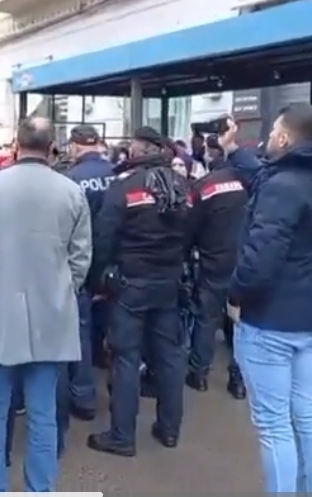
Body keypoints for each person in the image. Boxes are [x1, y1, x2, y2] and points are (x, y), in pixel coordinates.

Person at [0, 117, 90, 492]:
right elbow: (81, 258)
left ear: (16, 145)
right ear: (52, 147)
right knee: (43, 415)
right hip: (50, 313)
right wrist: (62, 291)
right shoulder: (71, 192)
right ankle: (39, 489)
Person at [218, 105, 312, 494]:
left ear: (285, 138)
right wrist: (231, 148)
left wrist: (235, 294)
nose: (267, 137)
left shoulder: (282, 187)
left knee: (274, 426)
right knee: (306, 415)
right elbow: (261, 174)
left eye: (272, 132)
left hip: (269, 321)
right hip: (308, 321)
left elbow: (260, 256)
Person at [86, 126, 190, 456]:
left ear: (138, 150)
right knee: (169, 356)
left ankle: (122, 436)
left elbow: (104, 238)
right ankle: (169, 429)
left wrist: (97, 280)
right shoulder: (181, 185)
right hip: (168, 282)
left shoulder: (125, 186)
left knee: (125, 357)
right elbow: (191, 232)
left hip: (130, 284)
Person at [185, 136, 249, 399]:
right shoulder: (248, 181)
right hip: (244, 262)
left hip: (213, 262)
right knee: (240, 323)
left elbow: (190, 227)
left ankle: (199, 374)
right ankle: (239, 381)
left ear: (209, 157)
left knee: (206, 319)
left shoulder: (203, 187)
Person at [63, 125, 114, 421]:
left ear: (75, 145)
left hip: (82, 263)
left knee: (80, 330)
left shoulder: (70, 179)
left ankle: (84, 397)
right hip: (116, 266)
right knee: (116, 331)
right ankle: (121, 393)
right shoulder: (117, 174)